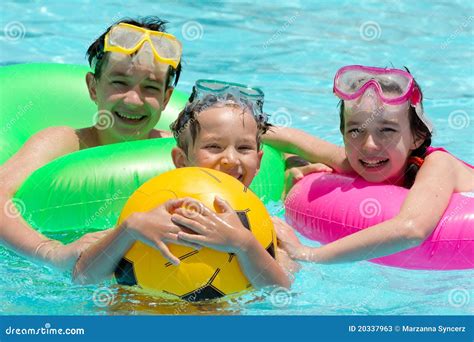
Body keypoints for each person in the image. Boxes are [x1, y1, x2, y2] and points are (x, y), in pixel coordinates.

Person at [0, 17, 183, 270]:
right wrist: (52, 251)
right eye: (119, 82)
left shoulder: (178, 149)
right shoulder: (63, 142)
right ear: (93, 86)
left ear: (166, 99)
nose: (133, 99)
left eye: (151, 88)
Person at [73, 80, 293, 289]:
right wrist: (129, 230)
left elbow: (281, 293)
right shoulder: (152, 210)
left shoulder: (264, 228)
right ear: (181, 160)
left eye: (244, 148)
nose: (231, 159)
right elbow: (83, 277)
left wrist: (244, 244)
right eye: (214, 147)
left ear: (258, 161)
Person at [264, 65, 474, 264]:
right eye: (356, 130)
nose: (369, 146)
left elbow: (413, 229)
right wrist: (294, 167)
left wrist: (309, 253)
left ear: (417, 137)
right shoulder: (354, 161)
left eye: (387, 130)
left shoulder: (439, 165)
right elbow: (291, 140)